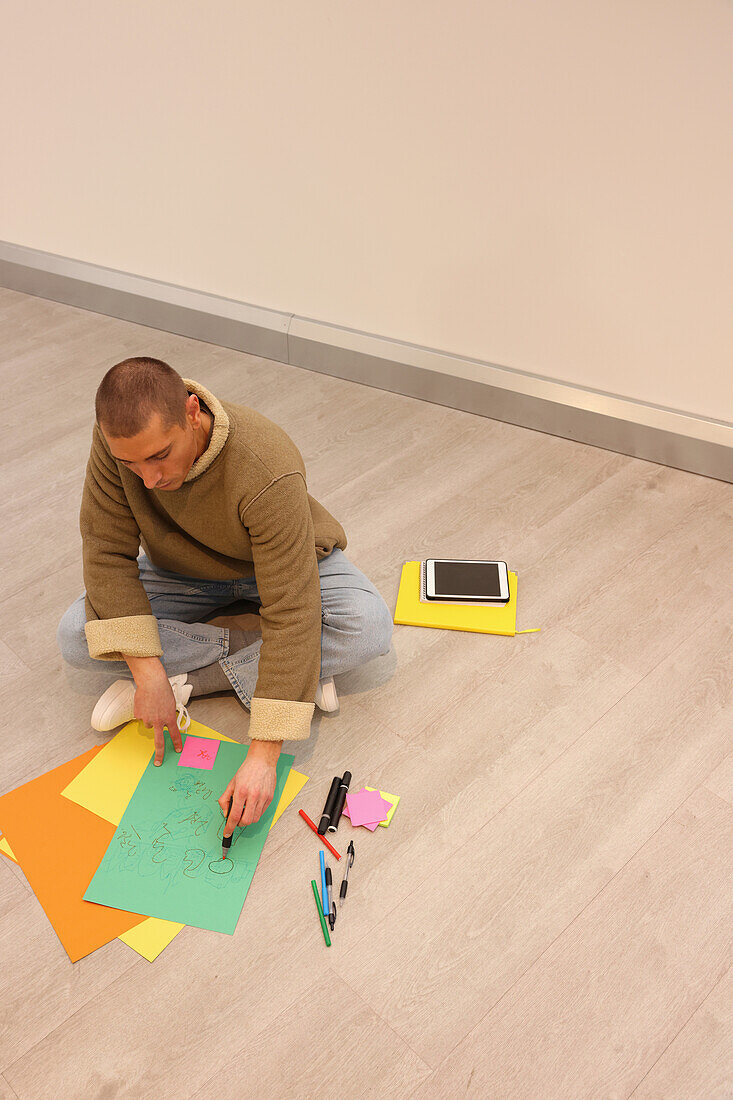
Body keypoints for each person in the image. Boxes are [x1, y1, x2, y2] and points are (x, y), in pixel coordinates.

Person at [57, 357, 393, 838]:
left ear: (192, 411)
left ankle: (202, 676)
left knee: (368, 626)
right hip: (183, 572)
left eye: (160, 456)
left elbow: (293, 606)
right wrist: (148, 673)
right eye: (132, 464)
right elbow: (106, 550)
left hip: (281, 567)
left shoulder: (265, 464)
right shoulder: (118, 445)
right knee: (74, 635)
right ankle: (281, 668)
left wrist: (264, 753)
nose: (148, 478)